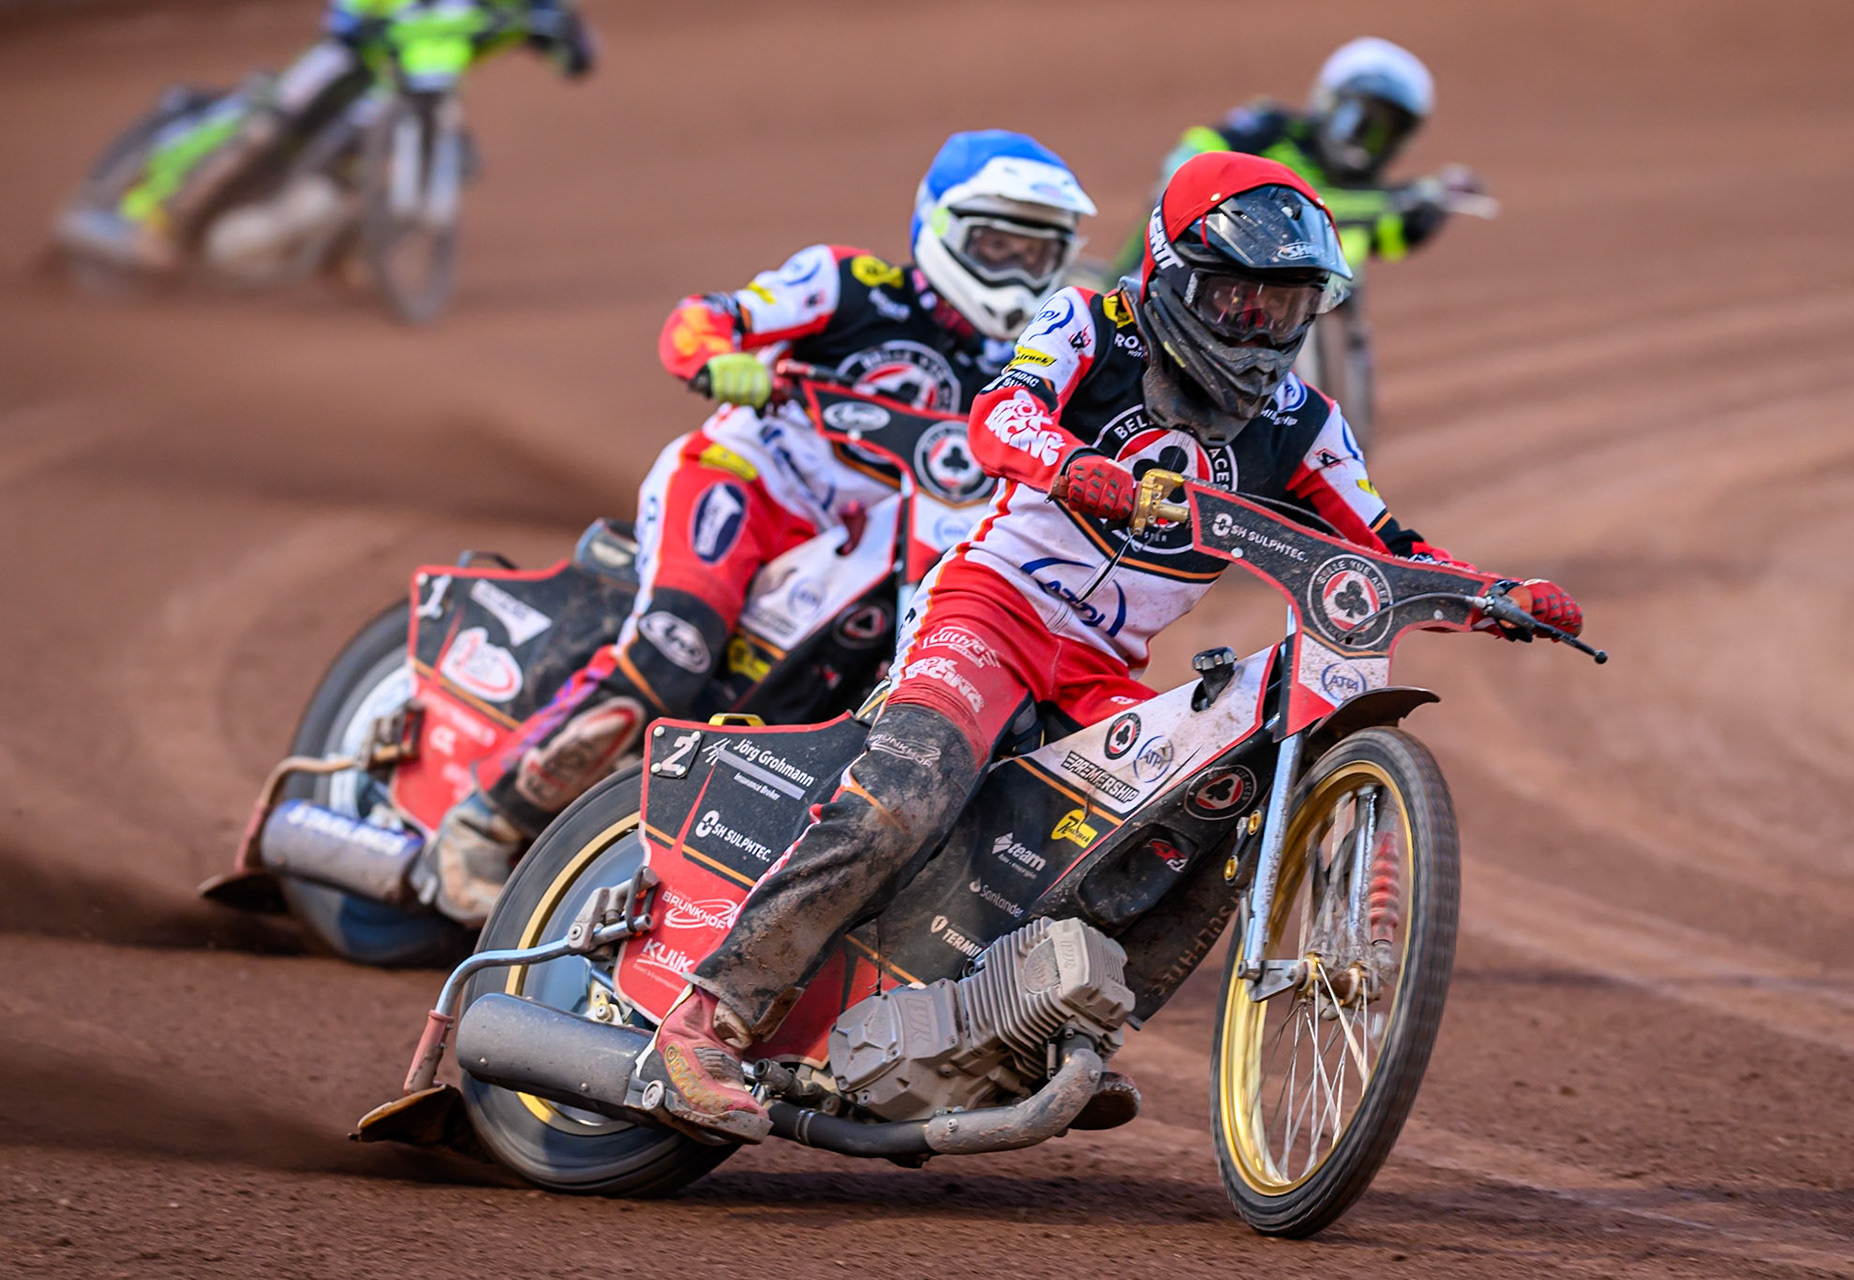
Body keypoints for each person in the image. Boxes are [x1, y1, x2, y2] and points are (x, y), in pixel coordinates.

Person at [631, 150, 1583, 1143]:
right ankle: (708, 1018)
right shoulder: (1091, 324)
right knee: (909, 791)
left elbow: (1382, 544)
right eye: (1236, 300)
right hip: (989, 612)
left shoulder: (1304, 423)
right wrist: (1080, 469)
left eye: (1285, 307)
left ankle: (1041, 1038)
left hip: (1099, 671)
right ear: (1173, 277)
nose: (1259, 330)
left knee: (1199, 816)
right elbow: (998, 415)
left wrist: (1495, 593)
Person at [411, 130, 1098, 928]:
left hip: (880, 540)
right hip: (749, 481)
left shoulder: (1035, 360)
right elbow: (706, 319)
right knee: (676, 644)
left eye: (1036, 251)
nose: (1017, 270)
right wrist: (720, 355)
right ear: (941, 229)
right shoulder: (851, 284)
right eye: (996, 244)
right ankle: (478, 824)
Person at [58, 0, 594, 272]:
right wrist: (357, 20)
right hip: (350, 62)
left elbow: (573, 47)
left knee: (462, 157)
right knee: (269, 124)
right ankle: (160, 221)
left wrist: (564, 37)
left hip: (422, 96)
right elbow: (343, 16)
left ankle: (353, 252)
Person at [1108, 36, 1477, 283]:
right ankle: (1130, 285)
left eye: (1386, 131)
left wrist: (1428, 211)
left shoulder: (1374, 198)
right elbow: (1186, 161)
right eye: (1359, 118)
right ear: (1328, 100)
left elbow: (1391, 235)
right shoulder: (1270, 129)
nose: (1365, 141)